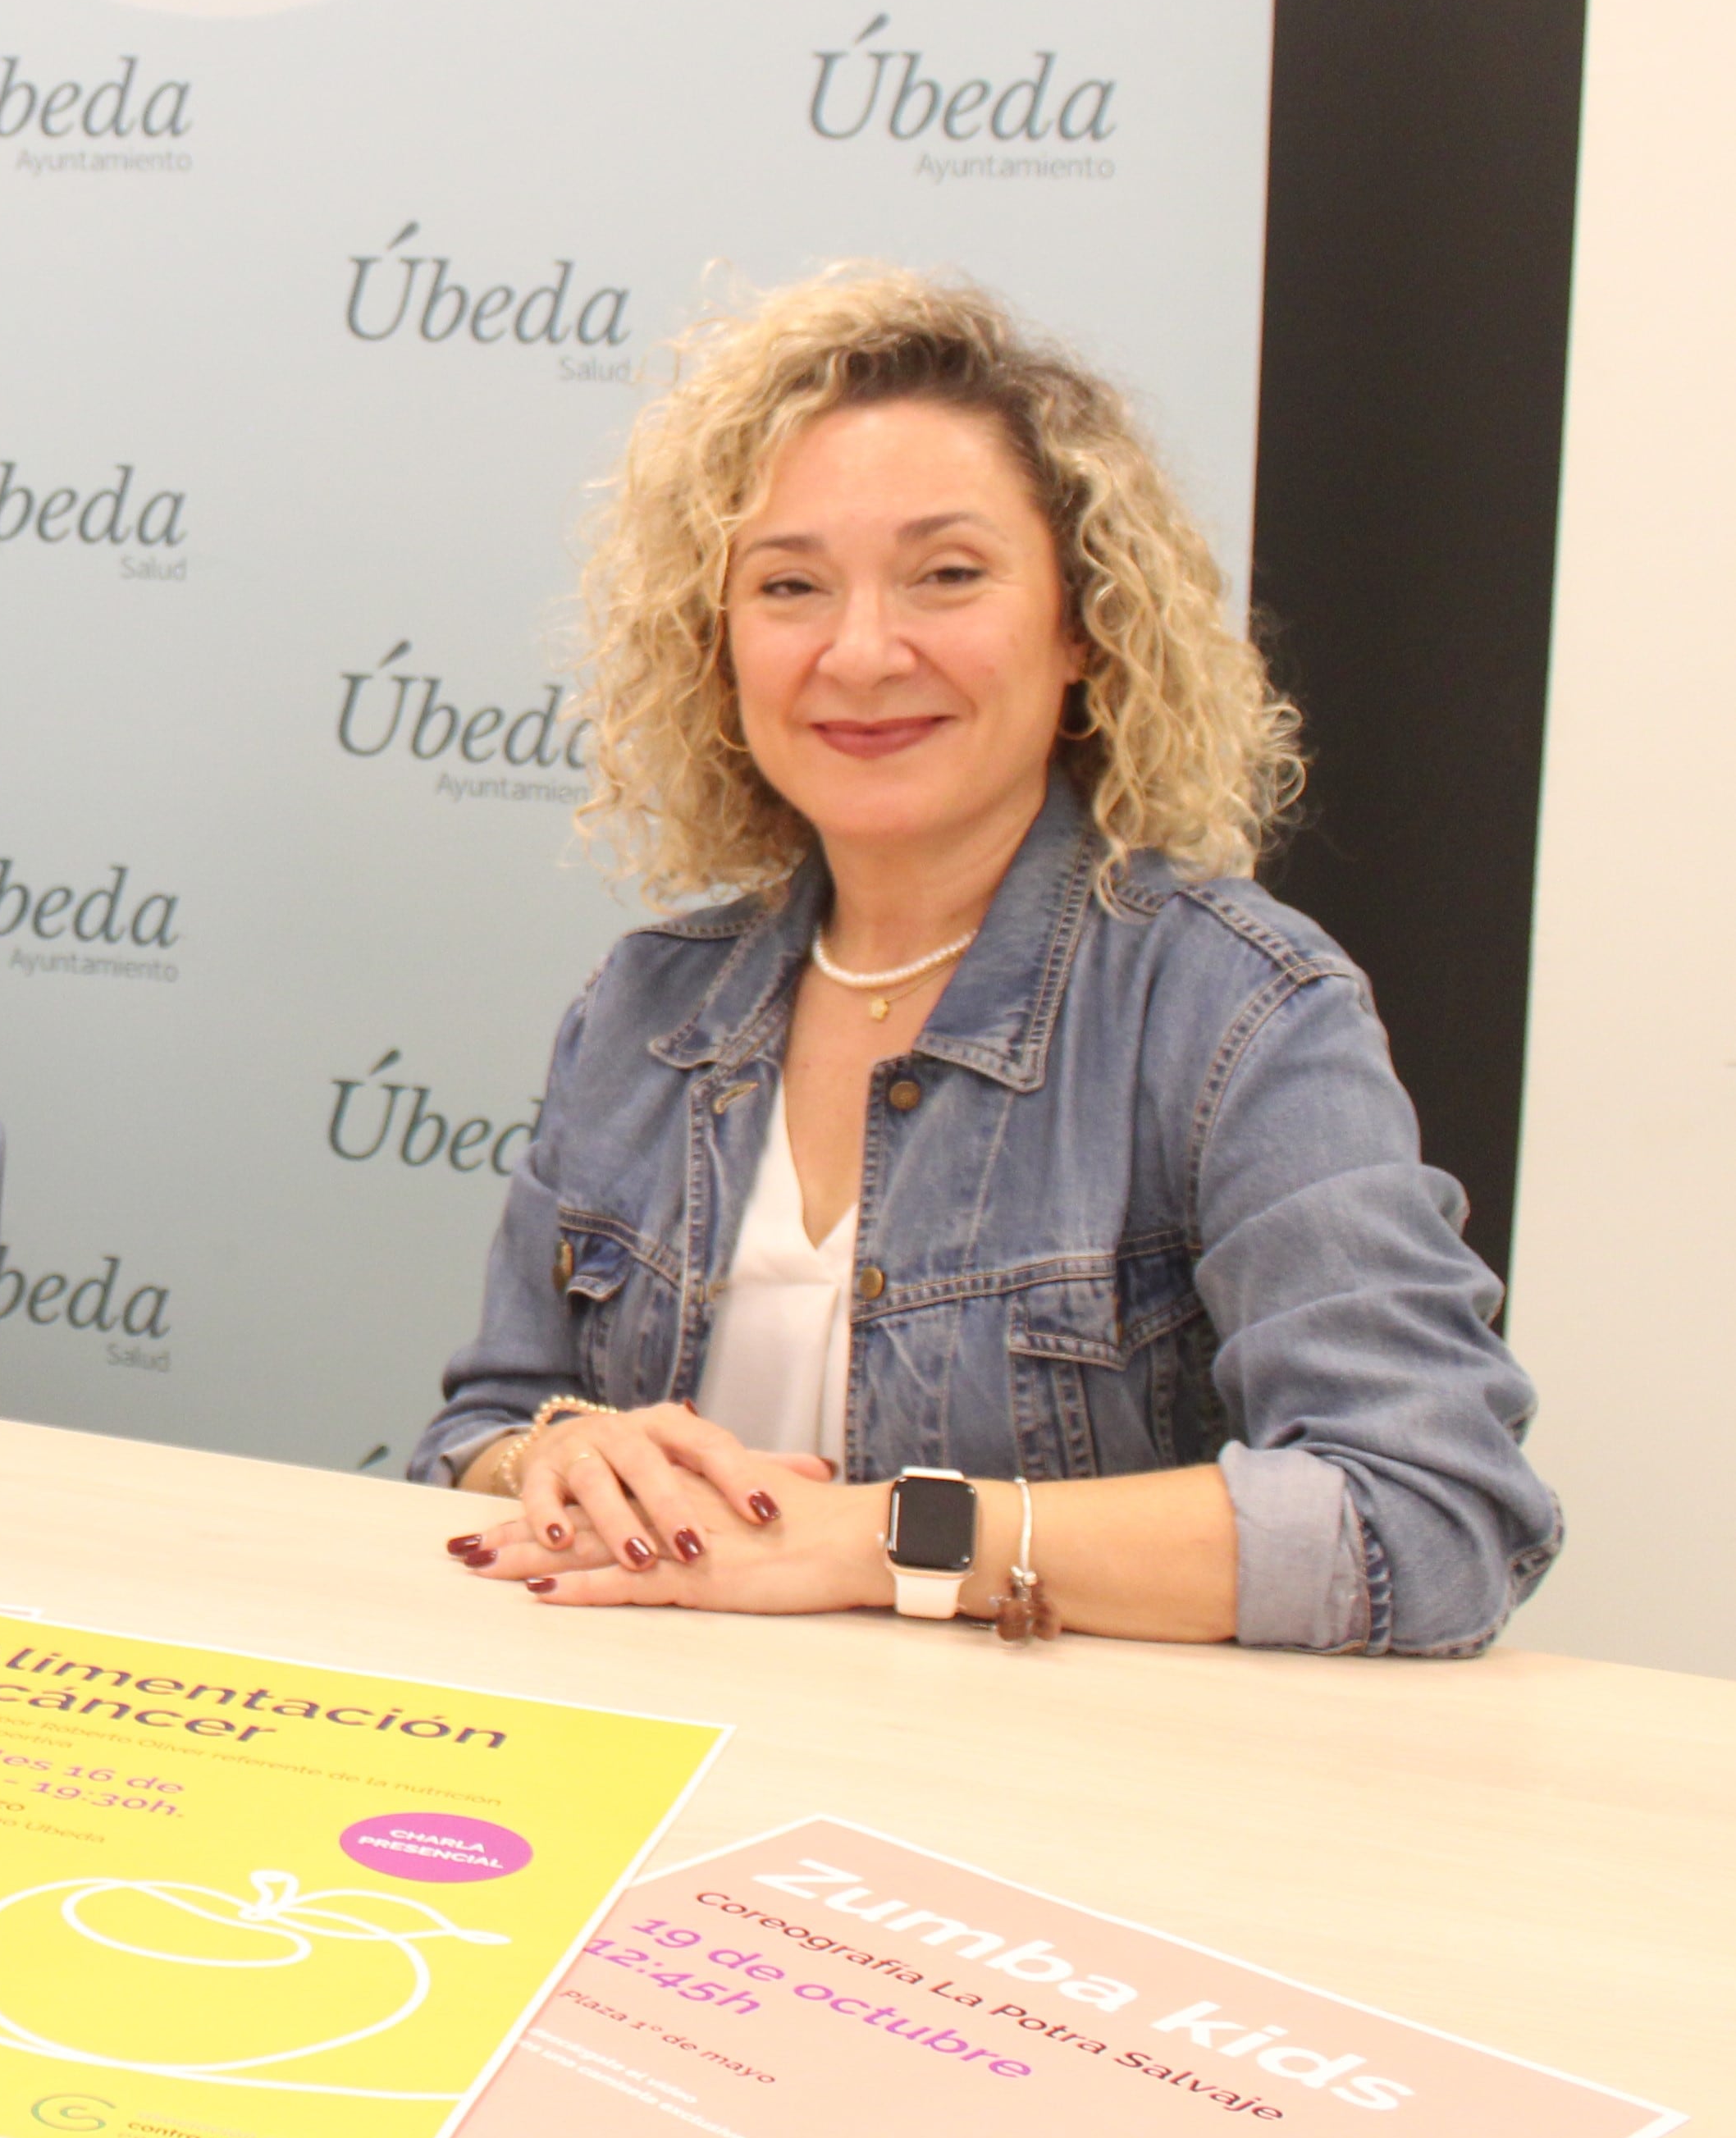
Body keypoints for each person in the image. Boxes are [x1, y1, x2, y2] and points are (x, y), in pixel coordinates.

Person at [416, 268, 1558, 1655]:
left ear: (1082, 624)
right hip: (656, 1784)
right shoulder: (645, 1005)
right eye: (788, 586)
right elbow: (477, 1429)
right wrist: (556, 1455)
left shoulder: (1233, 1009)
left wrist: (889, 1538)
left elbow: (1428, 1523)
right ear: (716, 649)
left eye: (946, 575)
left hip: (1046, 1821)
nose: (861, 650)